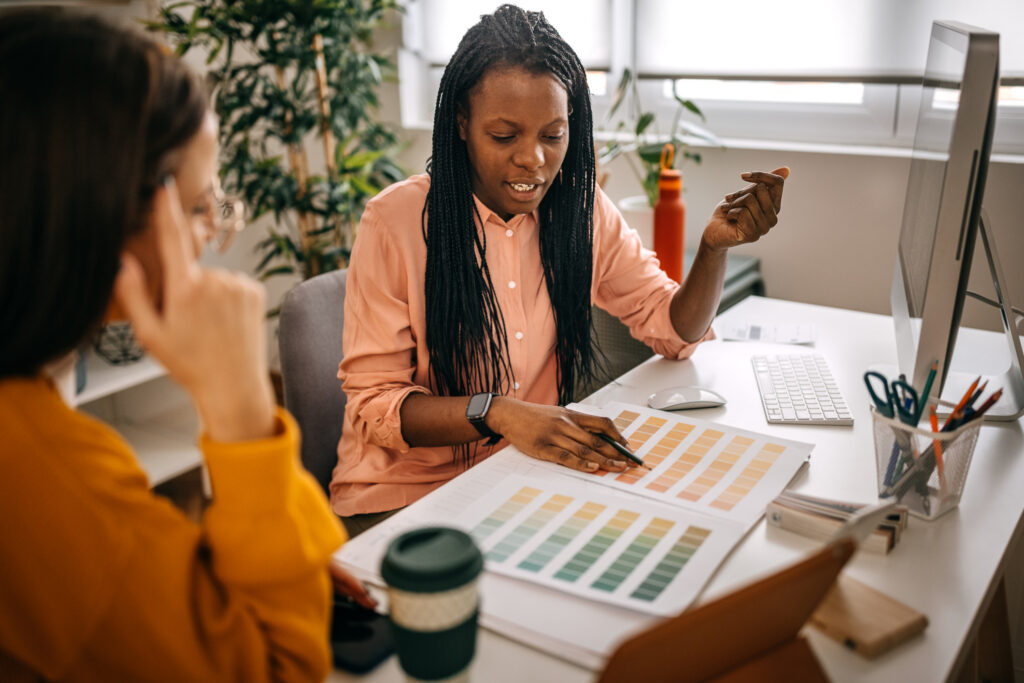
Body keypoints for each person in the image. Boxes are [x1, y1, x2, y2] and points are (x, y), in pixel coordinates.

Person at [0, 11, 371, 680]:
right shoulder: (46, 474)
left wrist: (244, 568)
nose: (213, 233)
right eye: (203, 205)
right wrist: (241, 408)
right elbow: (282, 666)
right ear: (104, 214)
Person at [332, 4, 789, 534]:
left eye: (553, 135)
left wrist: (713, 249)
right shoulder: (395, 222)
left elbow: (672, 329)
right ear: (461, 124)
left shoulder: (580, 209)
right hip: (404, 493)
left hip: (521, 475)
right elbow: (377, 406)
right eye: (505, 136)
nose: (534, 159)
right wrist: (496, 411)